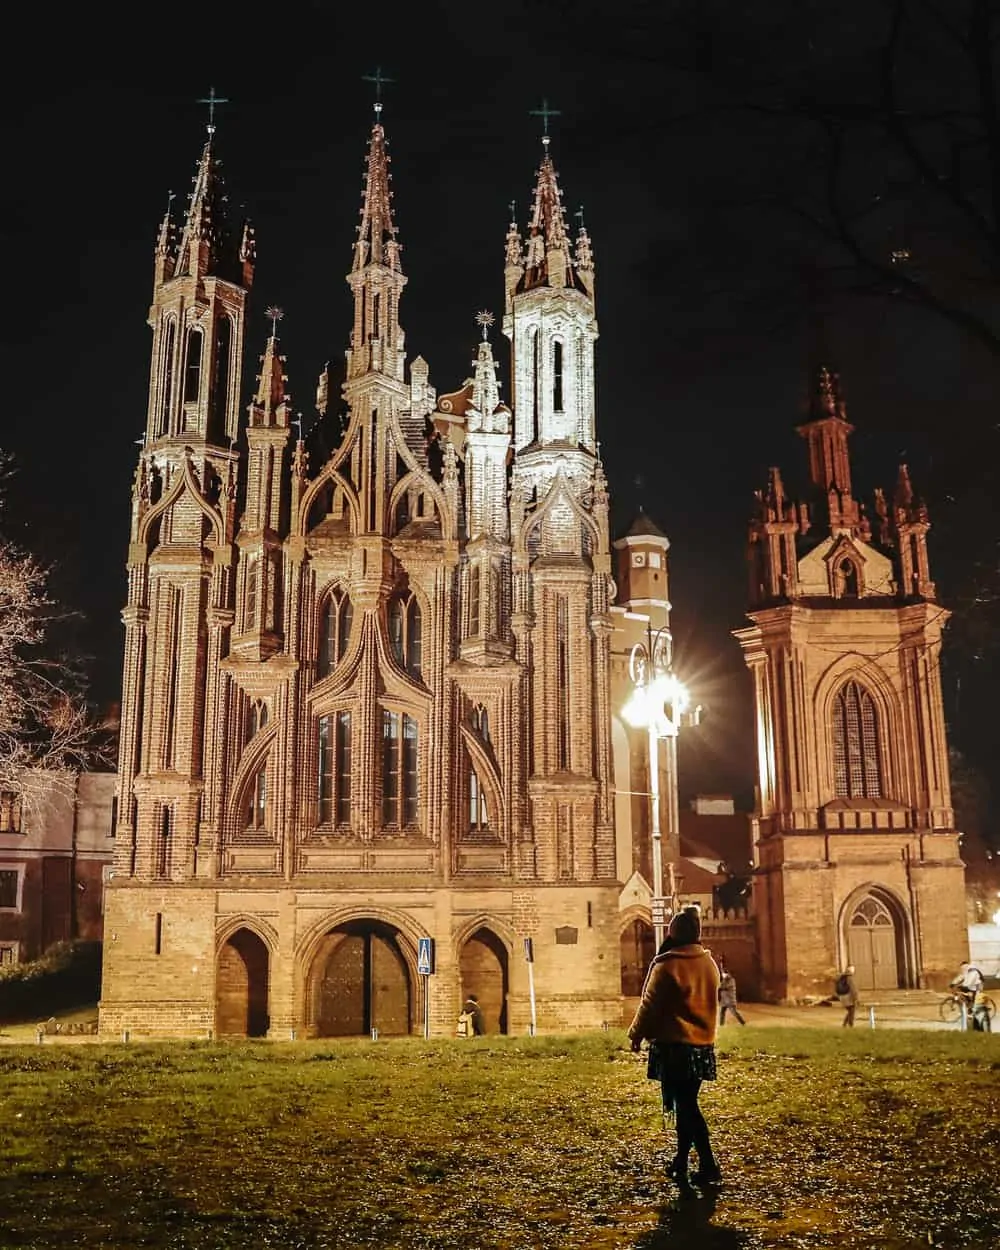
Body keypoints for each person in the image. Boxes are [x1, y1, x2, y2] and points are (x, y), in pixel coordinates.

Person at [628, 908, 722, 1189]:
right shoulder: (709, 964)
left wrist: (636, 1034)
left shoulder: (667, 965)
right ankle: (681, 1161)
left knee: (688, 1107)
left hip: (676, 1046)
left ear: (673, 933)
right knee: (686, 1104)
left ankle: (708, 1164)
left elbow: (649, 1004)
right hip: (702, 1046)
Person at [717, 960, 746, 1026]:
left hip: (730, 1000)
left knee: (734, 1012)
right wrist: (721, 964)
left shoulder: (731, 981)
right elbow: (722, 972)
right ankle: (721, 1024)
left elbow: (723, 987)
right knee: (722, 1013)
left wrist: (718, 987)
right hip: (724, 1000)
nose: (724, 975)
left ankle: (742, 1022)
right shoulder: (725, 980)